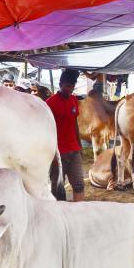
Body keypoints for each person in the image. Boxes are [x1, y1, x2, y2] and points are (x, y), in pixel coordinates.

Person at [46, 69, 84, 202]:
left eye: (73, 86)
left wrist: (79, 146)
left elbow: (75, 124)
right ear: (60, 84)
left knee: (79, 185)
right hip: (58, 154)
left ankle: (79, 214)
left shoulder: (74, 100)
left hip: (74, 152)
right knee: (58, 190)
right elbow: (47, 130)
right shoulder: (50, 103)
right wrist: (51, 155)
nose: (71, 89)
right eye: (68, 86)